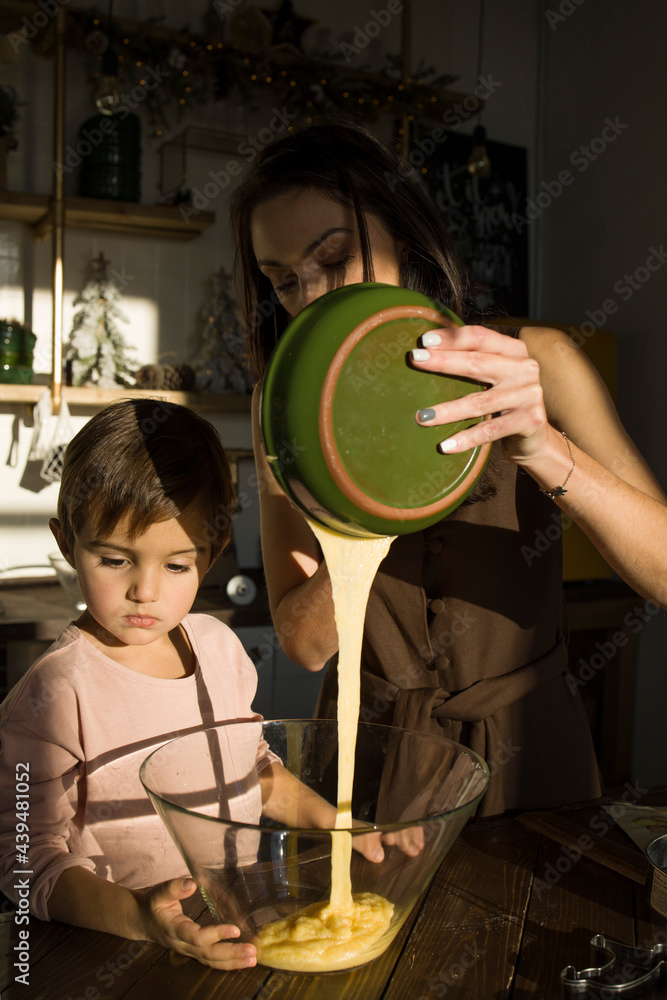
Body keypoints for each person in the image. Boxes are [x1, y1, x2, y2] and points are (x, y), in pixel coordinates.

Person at [229, 119, 667, 817]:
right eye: (283, 281)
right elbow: (305, 645)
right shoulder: (276, 408)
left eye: (334, 258)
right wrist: (375, 500)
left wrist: (541, 447)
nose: (311, 298)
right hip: (371, 758)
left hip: (529, 756)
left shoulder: (538, 362)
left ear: (403, 236)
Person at [0, 398, 384, 971]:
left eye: (176, 565)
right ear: (66, 542)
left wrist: (336, 823)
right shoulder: (54, 695)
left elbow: (253, 770)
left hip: (236, 927)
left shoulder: (219, 649)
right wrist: (140, 918)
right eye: (114, 560)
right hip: (114, 954)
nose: (145, 591)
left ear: (214, 550)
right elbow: (25, 861)